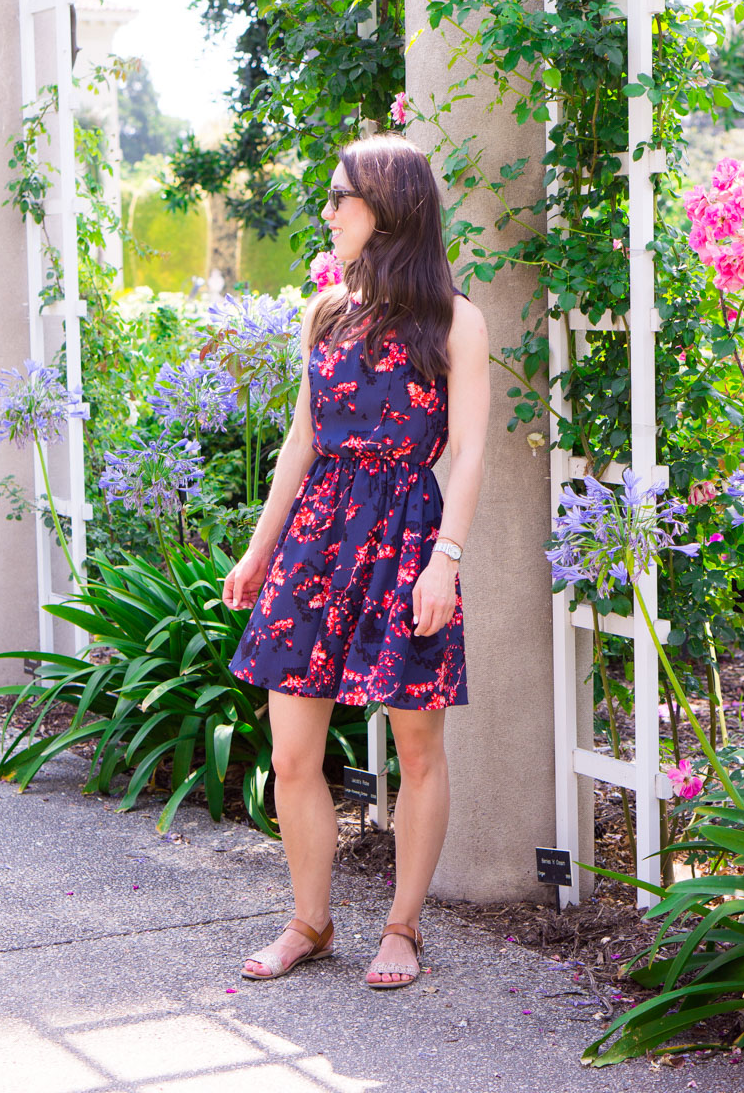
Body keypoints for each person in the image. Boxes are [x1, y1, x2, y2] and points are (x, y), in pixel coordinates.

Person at [222, 133, 489, 989]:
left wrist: (445, 559)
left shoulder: (456, 319)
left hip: (409, 535)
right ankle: (310, 920)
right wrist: (260, 551)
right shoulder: (324, 312)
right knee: (294, 753)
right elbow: (301, 441)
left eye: (342, 196)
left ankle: (402, 927)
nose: (329, 210)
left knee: (416, 749)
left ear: (391, 208)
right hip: (315, 538)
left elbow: (473, 454)